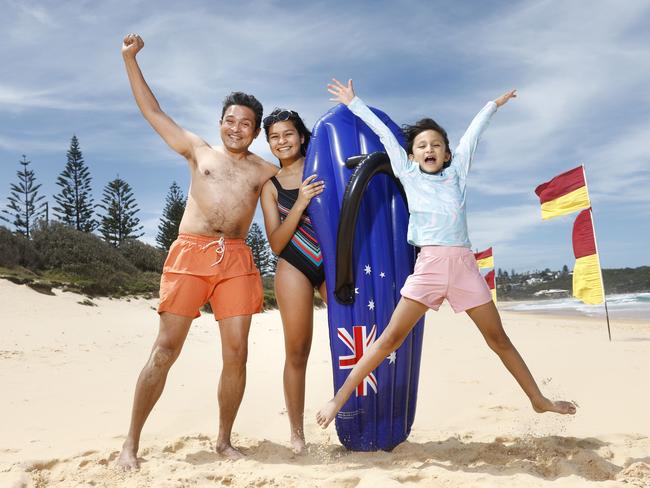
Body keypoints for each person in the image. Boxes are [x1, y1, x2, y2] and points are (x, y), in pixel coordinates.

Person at [316, 79, 576, 429]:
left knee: (498, 339)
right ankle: (339, 398)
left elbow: (472, 137)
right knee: (390, 338)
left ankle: (538, 400)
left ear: (447, 154)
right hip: (430, 267)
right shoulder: (408, 174)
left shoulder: (457, 177)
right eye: (422, 145)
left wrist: (492, 105)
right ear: (412, 155)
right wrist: (354, 103)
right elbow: (384, 136)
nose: (429, 148)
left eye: (436, 144)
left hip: (465, 268)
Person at [117, 33, 278, 468]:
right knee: (166, 349)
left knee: (237, 354)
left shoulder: (266, 171)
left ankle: (224, 441)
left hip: (238, 260)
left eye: (246, 123)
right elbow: (152, 110)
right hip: (191, 253)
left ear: (256, 130)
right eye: (230, 120)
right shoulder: (198, 150)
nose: (236, 128)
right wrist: (129, 59)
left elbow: (304, 180)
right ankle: (130, 443)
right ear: (221, 120)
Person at [259, 109, 326, 453]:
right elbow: (275, 242)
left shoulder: (323, 165)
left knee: (361, 333)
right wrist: (299, 202)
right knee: (297, 351)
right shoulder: (269, 188)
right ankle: (298, 435)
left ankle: (360, 412)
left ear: (302, 137)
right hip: (294, 264)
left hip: (333, 262)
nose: (282, 141)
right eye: (274, 136)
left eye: (288, 134)